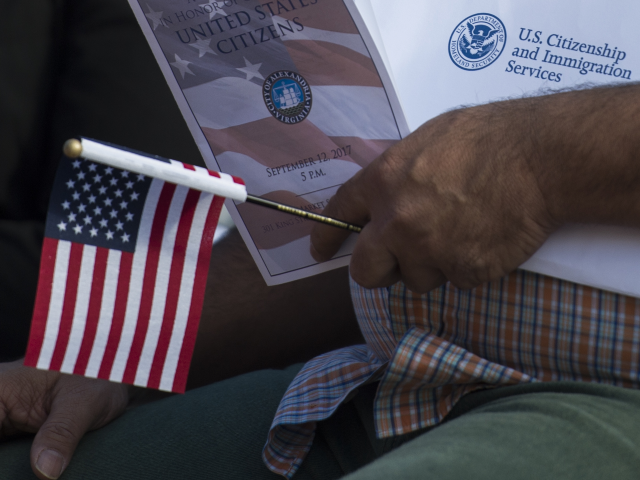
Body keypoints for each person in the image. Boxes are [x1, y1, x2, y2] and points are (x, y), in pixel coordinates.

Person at [2, 2, 640, 480]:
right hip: (384, 379)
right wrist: (125, 348)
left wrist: (533, 162)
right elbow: (358, 236)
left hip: (602, 397)